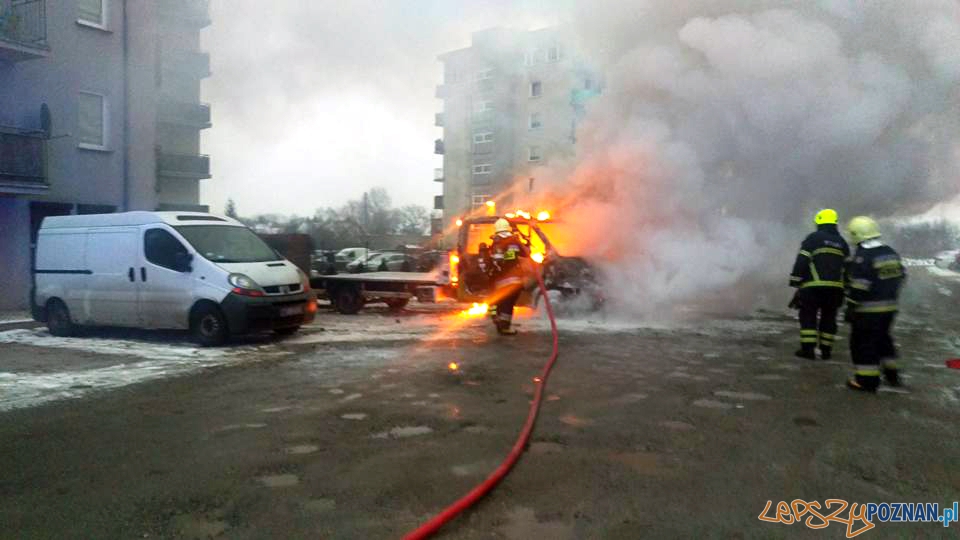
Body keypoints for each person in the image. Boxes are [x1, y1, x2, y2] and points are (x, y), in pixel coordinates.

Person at [844, 216, 906, 393]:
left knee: (863, 343)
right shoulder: (890, 252)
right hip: (889, 308)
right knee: (884, 339)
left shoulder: (863, 256)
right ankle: (892, 375)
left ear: (856, 234)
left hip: (868, 310)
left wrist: (851, 306)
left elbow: (859, 286)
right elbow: (901, 275)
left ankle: (866, 381)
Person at [789, 209, 850, 359]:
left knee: (808, 315)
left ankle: (808, 350)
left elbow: (802, 260)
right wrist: (847, 286)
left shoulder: (813, 238)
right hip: (836, 288)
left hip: (813, 287)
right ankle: (826, 351)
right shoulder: (842, 242)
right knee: (829, 317)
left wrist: (795, 279)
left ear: (819, 222)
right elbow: (848, 267)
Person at [485, 218, 530, 335]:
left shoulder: (497, 242)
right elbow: (526, 253)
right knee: (508, 303)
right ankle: (504, 326)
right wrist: (526, 243)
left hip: (501, 279)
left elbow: (497, 260)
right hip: (514, 279)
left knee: (503, 301)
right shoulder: (514, 241)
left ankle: (500, 321)